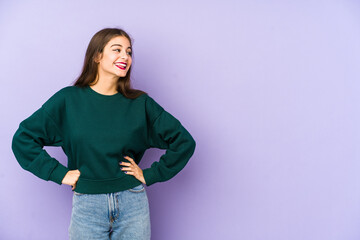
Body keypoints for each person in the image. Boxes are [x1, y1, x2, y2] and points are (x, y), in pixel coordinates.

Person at [11, 27, 196, 240]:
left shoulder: (140, 104)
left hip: (133, 203)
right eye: (117, 50)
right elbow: (23, 138)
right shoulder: (68, 100)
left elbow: (184, 141)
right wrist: (59, 173)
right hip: (87, 205)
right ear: (97, 56)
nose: (125, 57)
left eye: (128, 52)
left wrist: (150, 174)